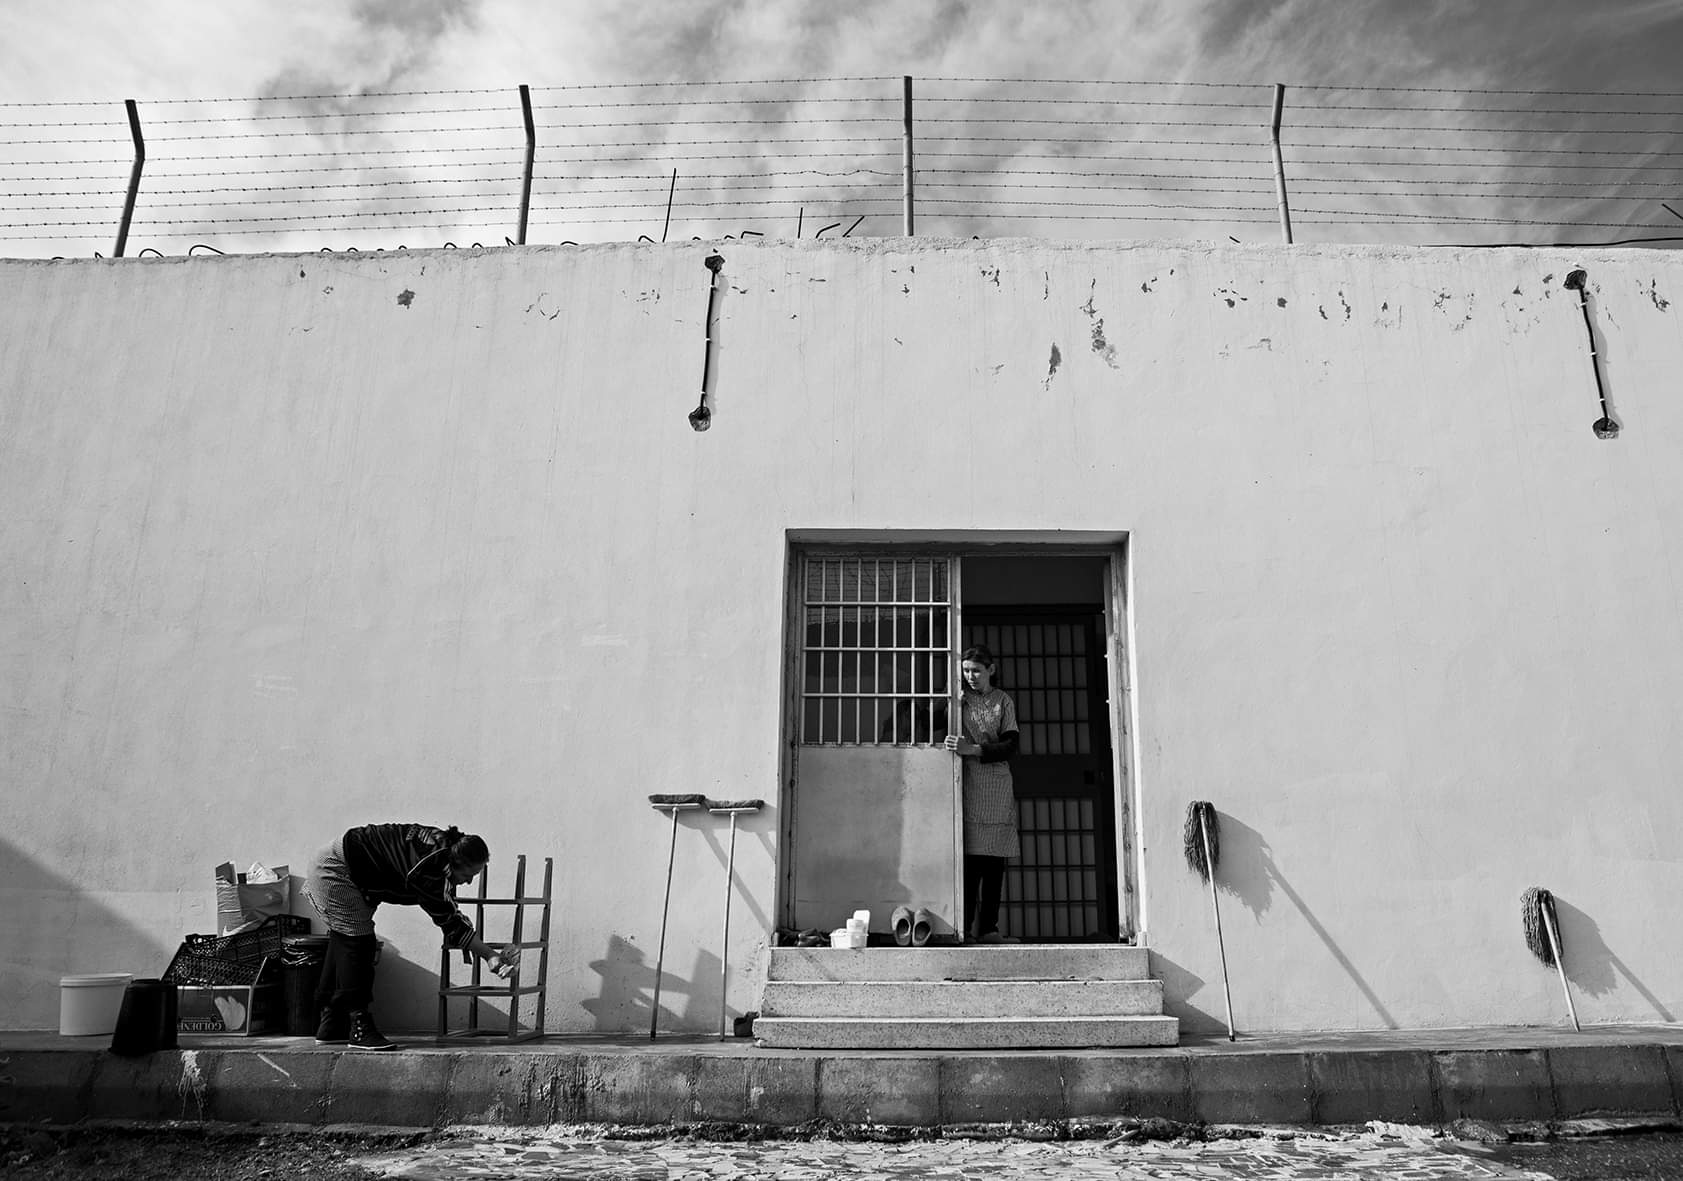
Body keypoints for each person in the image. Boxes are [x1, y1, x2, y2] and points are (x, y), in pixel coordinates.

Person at [300, 822, 521, 1050]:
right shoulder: (429, 870)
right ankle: (359, 1027)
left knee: (345, 940)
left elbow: (448, 908)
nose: (469, 881)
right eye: (468, 874)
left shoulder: (444, 848)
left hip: (343, 865)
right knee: (358, 944)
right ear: (456, 863)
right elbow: (449, 920)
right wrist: (489, 955)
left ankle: (332, 1024)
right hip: (336, 871)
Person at [943, 644, 1021, 944]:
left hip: (996, 786)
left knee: (994, 862)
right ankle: (963, 928)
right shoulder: (957, 700)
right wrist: (949, 703)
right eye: (966, 671)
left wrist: (973, 749)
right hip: (968, 784)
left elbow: (1010, 745)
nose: (970, 676)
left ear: (991, 670)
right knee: (970, 861)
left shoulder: (1003, 701)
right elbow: (931, 723)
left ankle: (989, 928)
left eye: (976, 670)